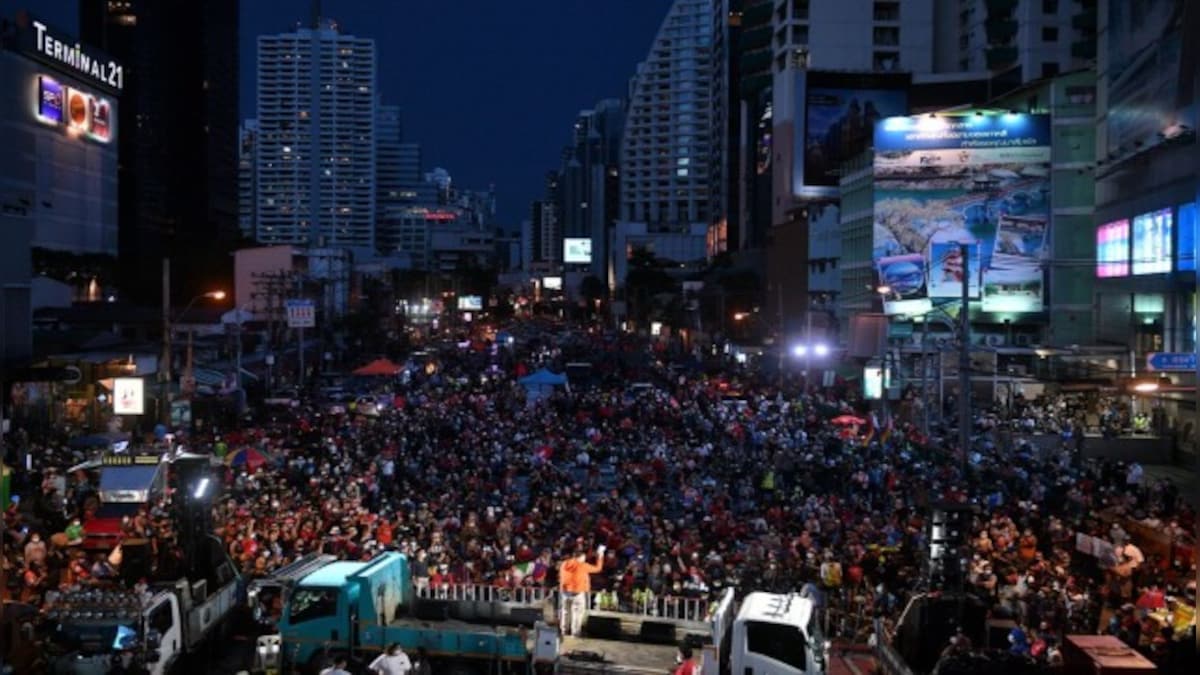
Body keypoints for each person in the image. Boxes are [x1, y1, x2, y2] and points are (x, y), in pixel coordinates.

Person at [559, 545, 605, 636]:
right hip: (578, 593)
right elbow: (598, 568)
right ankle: (575, 633)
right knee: (577, 613)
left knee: (565, 612)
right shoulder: (583, 565)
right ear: (581, 557)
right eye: (584, 557)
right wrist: (600, 555)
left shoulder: (564, 563)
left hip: (565, 592)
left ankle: (564, 630)